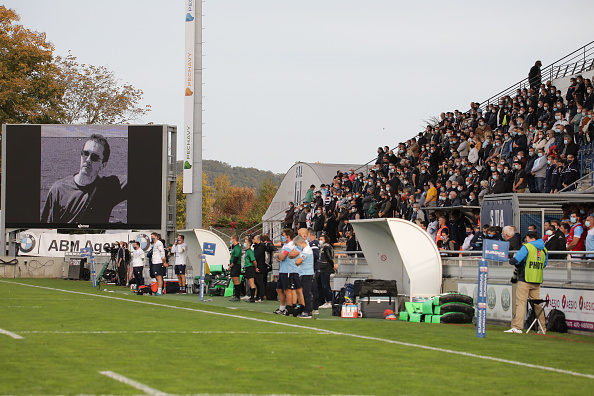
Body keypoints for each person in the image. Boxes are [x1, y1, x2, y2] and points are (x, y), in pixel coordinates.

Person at [41, 133, 127, 224]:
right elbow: (47, 228)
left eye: (94, 157)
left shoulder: (108, 188)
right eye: (85, 154)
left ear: (103, 165)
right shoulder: (58, 189)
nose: (88, 160)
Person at [505, 231, 548, 333]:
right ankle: (542, 329)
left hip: (525, 278)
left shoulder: (527, 247)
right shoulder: (544, 249)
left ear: (528, 237)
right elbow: (544, 264)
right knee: (537, 305)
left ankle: (518, 327)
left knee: (520, 303)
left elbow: (517, 260)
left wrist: (509, 259)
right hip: (537, 279)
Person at [274, 229, 300, 315]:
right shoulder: (286, 245)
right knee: (279, 289)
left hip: (288, 270)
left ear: (288, 236)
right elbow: (280, 257)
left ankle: (289, 308)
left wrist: (278, 254)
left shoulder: (290, 245)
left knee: (288, 290)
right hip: (283, 270)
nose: (282, 237)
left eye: (283, 235)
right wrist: (280, 255)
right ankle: (282, 308)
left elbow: (281, 257)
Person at [294, 235, 315, 318]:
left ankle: (308, 311)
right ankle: (305, 310)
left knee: (306, 293)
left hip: (306, 274)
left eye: (296, 244)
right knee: (304, 293)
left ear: (300, 242)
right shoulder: (304, 250)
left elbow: (298, 261)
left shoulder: (307, 250)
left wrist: (297, 261)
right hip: (303, 273)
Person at [318, 234, 336, 308]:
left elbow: (329, 258)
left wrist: (332, 266)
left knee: (326, 285)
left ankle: (330, 301)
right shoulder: (322, 248)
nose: (320, 240)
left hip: (326, 268)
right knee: (323, 285)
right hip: (322, 267)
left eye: (322, 239)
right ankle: (326, 301)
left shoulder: (326, 247)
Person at [251, 235, 267, 302]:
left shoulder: (261, 247)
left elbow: (256, 256)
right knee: (257, 282)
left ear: (258, 240)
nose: (253, 240)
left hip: (260, 267)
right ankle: (258, 295)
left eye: (254, 239)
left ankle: (261, 296)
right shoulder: (257, 246)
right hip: (258, 266)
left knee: (260, 282)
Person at [243, 237, 257, 303]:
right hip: (247, 268)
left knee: (251, 282)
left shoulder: (250, 251)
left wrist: (255, 267)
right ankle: (251, 296)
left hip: (250, 268)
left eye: (245, 242)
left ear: (248, 244)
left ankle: (252, 297)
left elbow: (253, 260)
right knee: (249, 282)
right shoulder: (247, 251)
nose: (244, 243)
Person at [228, 235, 242, 302]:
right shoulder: (234, 247)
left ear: (234, 239)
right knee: (234, 280)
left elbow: (236, 258)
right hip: (234, 266)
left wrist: (231, 265)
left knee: (236, 281)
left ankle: (237, 296)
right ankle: (236, 295)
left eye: (231, 239)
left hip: (236, 266)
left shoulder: (237, 248)